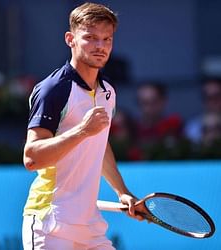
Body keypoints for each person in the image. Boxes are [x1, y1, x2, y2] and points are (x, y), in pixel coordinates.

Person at [22, 3, 143, 249]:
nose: (100, 46)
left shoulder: (108, 91)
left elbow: (98, 144)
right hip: (50, 222)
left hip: (91, 227)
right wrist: (82, 130)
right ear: (71, 39)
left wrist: (123, 192)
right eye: (90, 38)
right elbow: (32, 158)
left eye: (106, 39)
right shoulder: (53, 90)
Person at [134, 82, 185, 160]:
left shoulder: (174, 125)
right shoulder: (132, 128)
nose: (148, 109)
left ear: (163, 101)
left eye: (153, 102)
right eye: (144, 103)